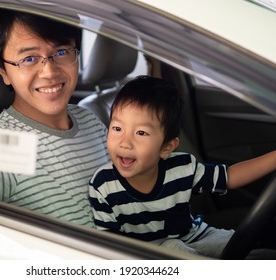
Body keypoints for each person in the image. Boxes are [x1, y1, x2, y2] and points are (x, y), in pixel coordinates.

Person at [0, 8, 109, 227]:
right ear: (3, 72)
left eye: (62, 52)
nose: (49, 72)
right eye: (29, 58)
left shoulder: (90, 120)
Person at [88, 75, 276, 258]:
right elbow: (110, 247)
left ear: (166, 147)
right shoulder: (103, 186)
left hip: (197, 236)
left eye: (141, 133)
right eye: (117, 129)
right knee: (173, 247)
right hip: (150, 255)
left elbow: (230, 177)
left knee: (247, 247)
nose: (125, 143)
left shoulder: (182, 167)